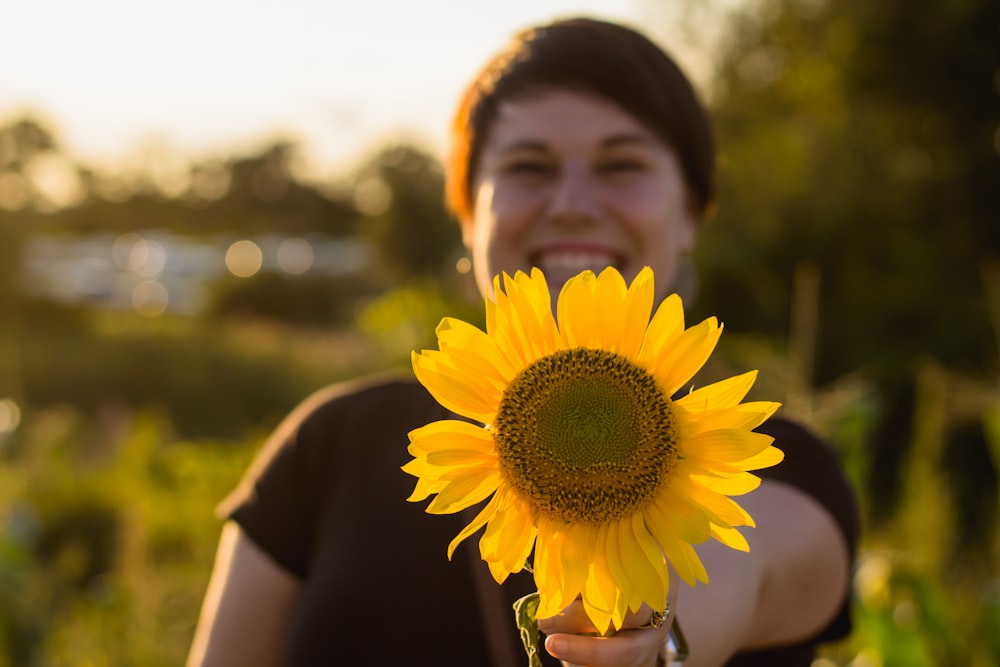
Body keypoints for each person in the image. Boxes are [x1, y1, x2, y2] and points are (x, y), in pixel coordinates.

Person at [187, 17, 858, 667]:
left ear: (690, 212)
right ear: (468, 216)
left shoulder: (778, 466)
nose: (571, 203)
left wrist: (650, 635)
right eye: (529, 167)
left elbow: (739, 566)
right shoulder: (329, 448)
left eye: (621, 165)